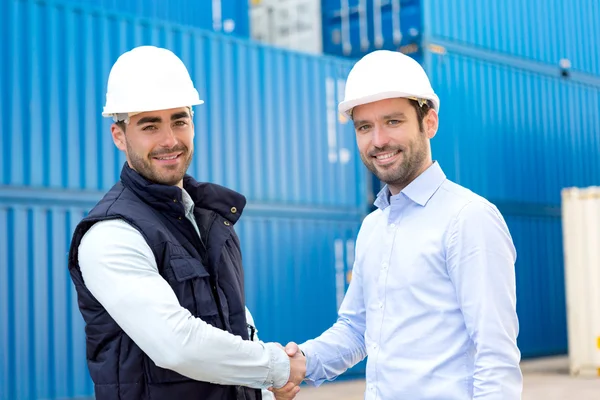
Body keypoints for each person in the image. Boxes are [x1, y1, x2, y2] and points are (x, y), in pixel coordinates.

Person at [271, 50, 523, 400]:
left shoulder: (468, 219)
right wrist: (297, 363)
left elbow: (495, 355)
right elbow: (357, 330)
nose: (378, 141)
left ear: (429, 122)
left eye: (393, 121)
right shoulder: (373, 227)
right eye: (364, 127)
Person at [67, 45, 305, 400]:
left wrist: (265, 389)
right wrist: (276, 366)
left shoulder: (209, 216)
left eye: (179, 120)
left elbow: (234, 320)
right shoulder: (111, 233)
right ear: (119, 135)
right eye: (150, 125)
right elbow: (177, 343)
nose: (170, 140)